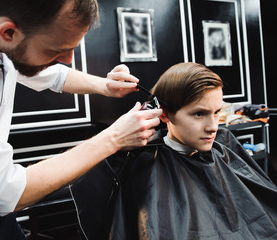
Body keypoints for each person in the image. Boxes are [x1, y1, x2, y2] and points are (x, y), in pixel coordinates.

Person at [0, 0, 162, 239]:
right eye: (57, 50)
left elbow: (52, 73)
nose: (69, 59)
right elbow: (5, 191)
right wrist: (114, 138)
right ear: (9, 32)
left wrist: (106, 86)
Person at [71, 62, 277, 240]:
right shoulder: (143, 163)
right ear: (165, 114)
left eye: (217, 113)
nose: (213, 126)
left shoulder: (224, 145)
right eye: (199, 114)